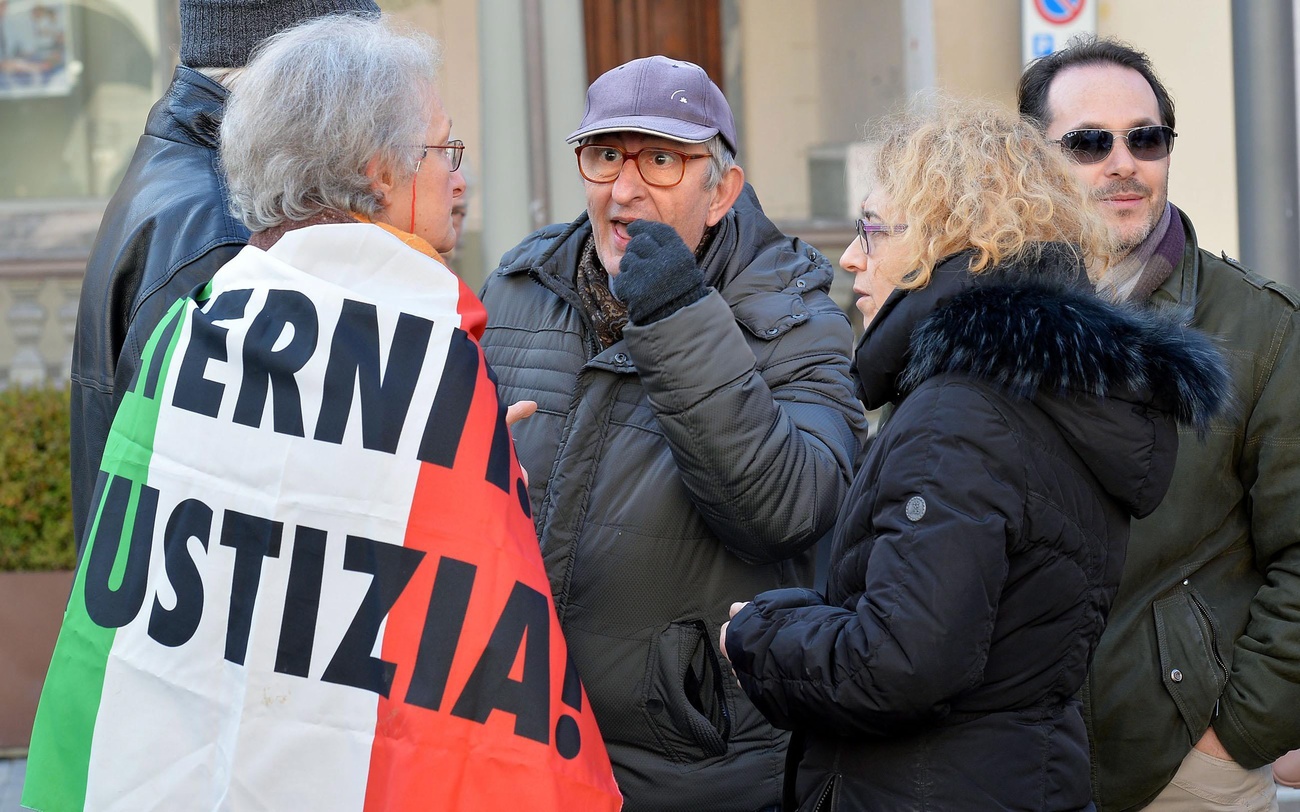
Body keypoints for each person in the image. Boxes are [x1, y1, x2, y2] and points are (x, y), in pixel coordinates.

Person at [25, 14, 621, 812]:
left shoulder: (205, 314)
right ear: (377, 168)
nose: (459, 178)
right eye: (444, 150)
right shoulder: (421, 350)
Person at [720, 99, 1229, 812]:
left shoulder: (960, 415)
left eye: (874, 228)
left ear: (953, 242)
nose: (851, 256)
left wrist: (759, 633)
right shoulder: (1043, 392)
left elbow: (901, 662)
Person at [477, 54, 867, 811]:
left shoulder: (796, 313)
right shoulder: (518, 288)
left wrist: (677, 314)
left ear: (722, 190)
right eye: (604, 157)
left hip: (697, 767)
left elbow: (787, 508)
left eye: (662, 159)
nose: (625, 190)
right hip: (526, 751)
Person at [1019, 37, 1300, 811]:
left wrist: (1233, 738)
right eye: (1088, 143)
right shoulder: (985, 317)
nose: (1123, 163)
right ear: (1033, 162)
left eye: (1146, 138)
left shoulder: (1260, 329)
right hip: (1004, 762)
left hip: (1182, 773)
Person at [68, 0, 380, 553]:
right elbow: (263, 505)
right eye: (356, 77)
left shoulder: (186, 179)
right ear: (299, 76)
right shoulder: (230, 229)